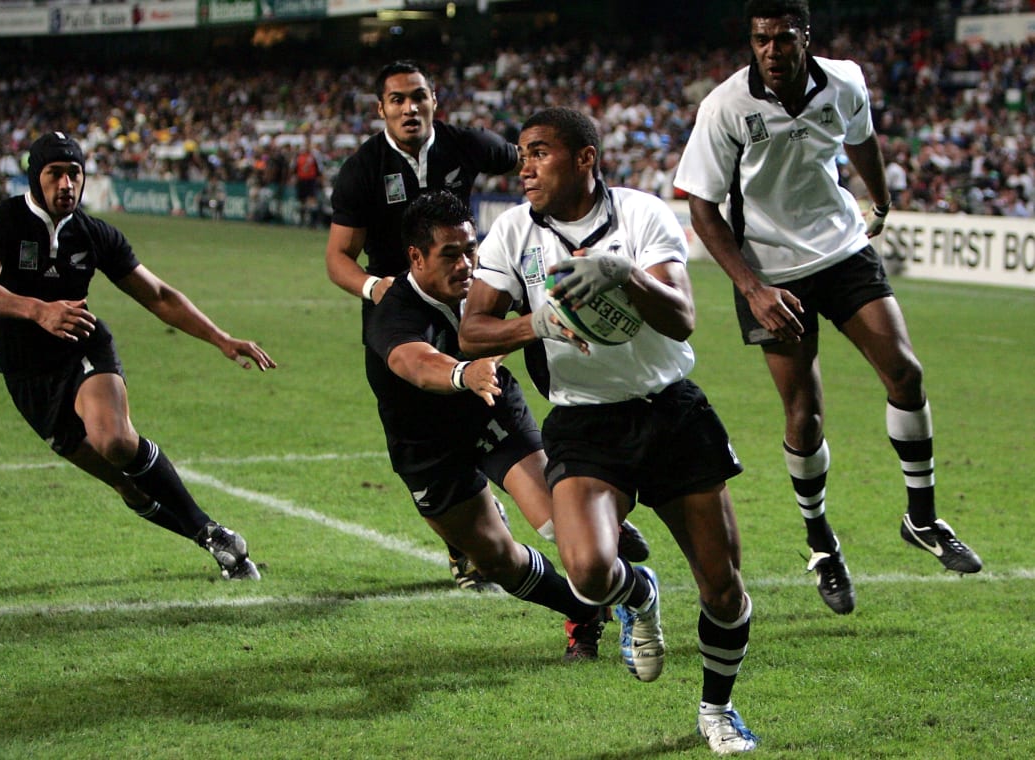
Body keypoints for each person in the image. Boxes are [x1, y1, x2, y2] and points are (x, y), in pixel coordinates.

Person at [460, 107, 759, 755]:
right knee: (590, 573)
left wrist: (624, 275)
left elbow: (681, 317)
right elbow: (472, 331)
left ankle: (719, 710)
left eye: (539, 152)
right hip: (584, 418)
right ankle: (640, 592)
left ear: (586, 159)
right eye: (521, 152)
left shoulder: (643, 215)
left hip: (670, 411)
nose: (525, 166)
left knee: (722, 584)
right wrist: (535, 324)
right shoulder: (512, 230)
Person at [674, 0, 981, 617]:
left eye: (783, 39)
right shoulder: (725, 107)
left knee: (906, 373)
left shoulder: (844, 80)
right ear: (751, 40)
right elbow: (702, 209)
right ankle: (821, 545)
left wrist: (882, 202)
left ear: (804, 38)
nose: (771, 51)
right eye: (761, 39)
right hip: (768, 274)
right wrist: (752, 289)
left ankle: (921, 518)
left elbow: (863, 141)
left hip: (841, 250)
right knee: (804, 415)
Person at [325, 59, 650, 591]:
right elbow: (338, 255)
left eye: (420, 96)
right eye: (398, 99)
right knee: (423, 406)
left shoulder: (466, 144)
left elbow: (536, 164)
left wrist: (580, 193)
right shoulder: (363, 169)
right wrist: (374, 287)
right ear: (380, 109)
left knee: (549, 521)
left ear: (435, 100)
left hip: (466, 299)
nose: (411, 108)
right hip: (404, 314)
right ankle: (467, 539)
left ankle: (585, 529)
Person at [0, 131, 276, 580]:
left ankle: (209, 533)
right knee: (128, 486)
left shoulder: (93, 233)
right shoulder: (2, 224)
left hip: (82, 348)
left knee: (115, 440)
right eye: (55, 174)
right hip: (27, 376)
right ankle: (213, 537)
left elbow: (158, 295)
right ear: (34, 178)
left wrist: (221, 338)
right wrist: (37, 310)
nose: (66, 185)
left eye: (74, 174)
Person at [366, 189, 608, 660]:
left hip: (491, 409)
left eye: (471, 249)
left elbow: (510, 321)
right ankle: (581, 608)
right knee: (497, 560)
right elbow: (415, 363)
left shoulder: (484, 284)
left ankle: (613, 569)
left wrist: (492, 353)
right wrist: (463, 371)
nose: (466, 264)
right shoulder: (390, 312)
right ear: (416, 257)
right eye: (450, 255)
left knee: (561, 527)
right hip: (425, 445)